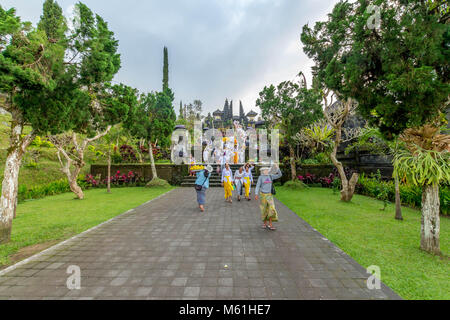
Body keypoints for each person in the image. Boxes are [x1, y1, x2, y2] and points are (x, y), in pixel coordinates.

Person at [255, 164, 282, 231]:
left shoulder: (270, 176)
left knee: (271, 209)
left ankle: (270, 224)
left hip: (269, 195)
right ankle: (264, 223)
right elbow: (258, 186)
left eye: (267, 170)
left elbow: (279, 175)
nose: (267, 171)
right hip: (263, 195)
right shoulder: (260, 177)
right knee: (264, 209)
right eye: (265, 170)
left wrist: (277, 168)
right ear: (262, 171)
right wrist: (256, 194)